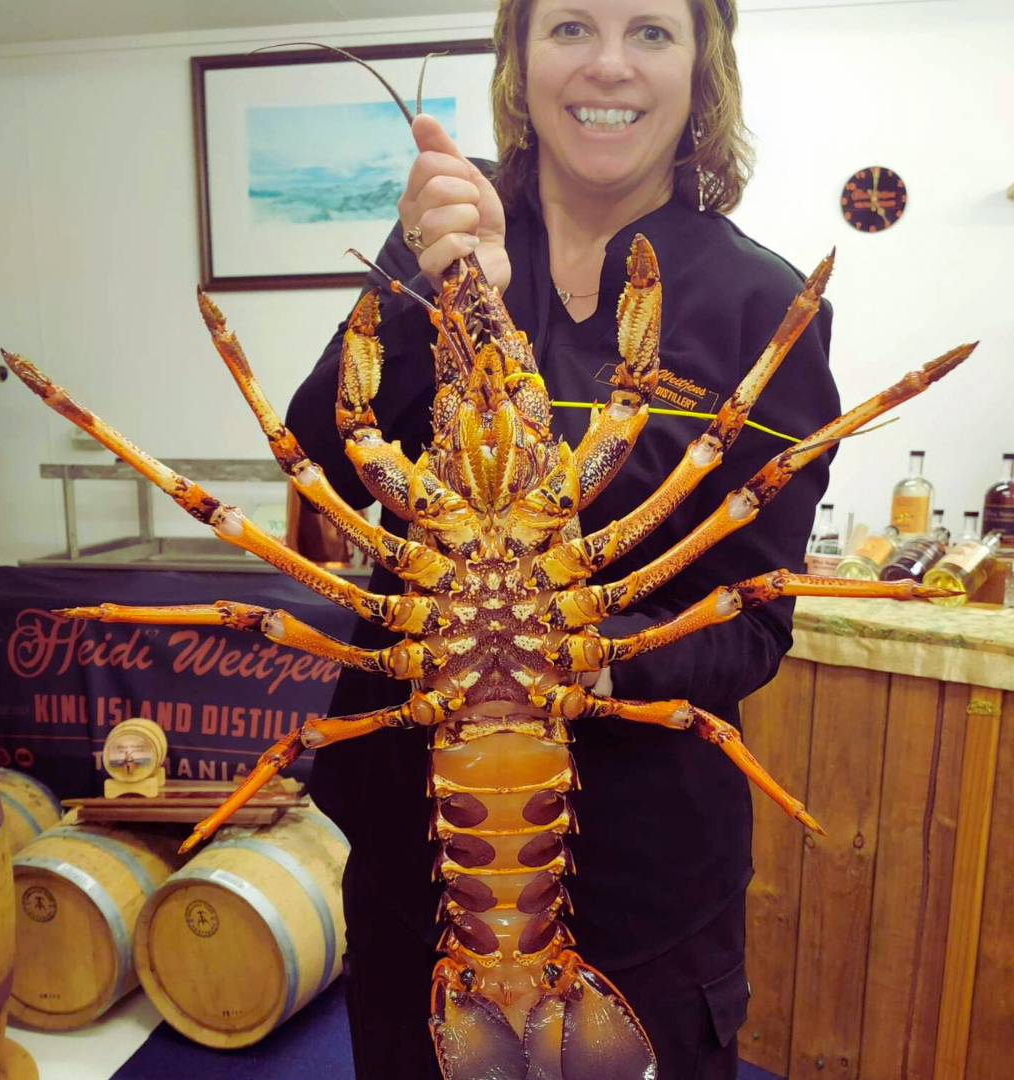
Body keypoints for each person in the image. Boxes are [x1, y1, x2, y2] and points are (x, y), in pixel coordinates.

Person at [286, 0, 839, 1075]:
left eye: (651, 31)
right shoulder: (445, 238)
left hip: (645, 888)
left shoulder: (762, 302)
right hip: (420, 865)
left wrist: (590, 648)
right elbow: (319, 455)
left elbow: (755, 628)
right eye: (572, 25)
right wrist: (415, 281)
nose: (610, 64)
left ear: (702, 67)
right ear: (520, 59)